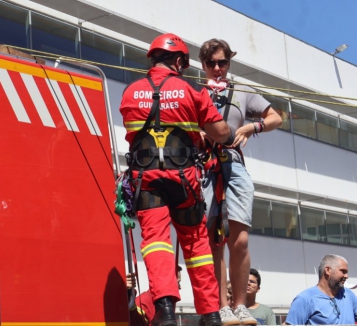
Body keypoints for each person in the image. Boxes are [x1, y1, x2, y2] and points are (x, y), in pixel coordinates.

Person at [120, 33, 231, 326]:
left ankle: (166, 311)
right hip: (184, 179)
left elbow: (134, 133)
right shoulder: (192, 89)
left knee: (156, 242)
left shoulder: (130, 92)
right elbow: (221, 133)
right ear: (180, 61)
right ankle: (210, 314)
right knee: (195, 244)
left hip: (146, 179)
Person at [198, 38, 283, 326]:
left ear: (229, 63)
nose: (218, 68)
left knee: (241, 240)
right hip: (206, 166)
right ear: (203, 65)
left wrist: (251, 126)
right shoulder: (196, 93)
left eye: (223, 62)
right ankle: (221, 305)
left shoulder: (242, 92)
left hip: (233, 164)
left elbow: (275, 118)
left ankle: (240, 306)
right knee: (213, 239)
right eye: (212, 63)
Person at [285, 254, 357, 325]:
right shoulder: (305, 299)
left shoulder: (349, 295)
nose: (347, 276)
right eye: (343, 271)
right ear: (328, 270)